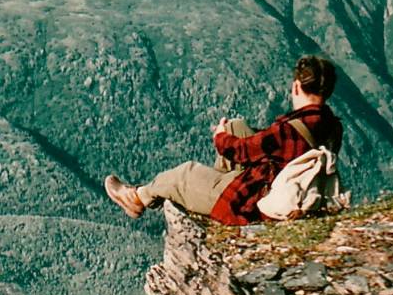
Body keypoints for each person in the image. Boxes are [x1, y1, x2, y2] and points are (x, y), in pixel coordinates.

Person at [104, 55, 344, 226]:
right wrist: (230, 131)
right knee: (236, 126)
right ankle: (212, 186)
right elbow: (274, 148)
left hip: (258, 197)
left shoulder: (289, 131)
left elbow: (242, 150)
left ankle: (137, 197)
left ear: (296, 87)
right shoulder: (330, 125)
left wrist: (220, 137)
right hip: (283, 181)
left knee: (184, 174)